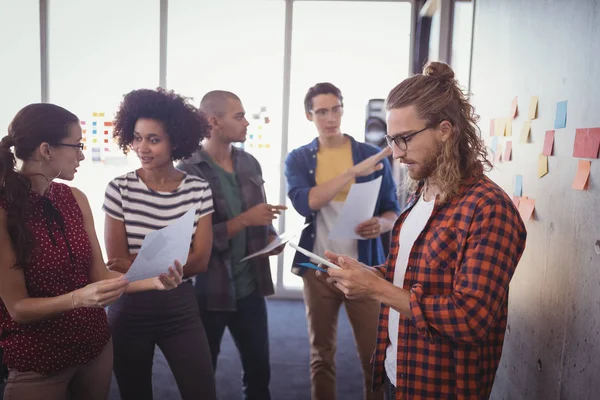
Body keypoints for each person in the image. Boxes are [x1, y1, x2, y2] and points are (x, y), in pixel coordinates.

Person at [322, 62, 528, 400]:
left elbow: (470, 318)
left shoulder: (489, 209)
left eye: (404, 139)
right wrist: (367, 274)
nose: (397, 152)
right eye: (392, 140)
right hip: (396, 371)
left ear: (445, 130)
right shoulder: (424, 193)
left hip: (439, 387)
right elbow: (410, 275)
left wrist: (375, 288)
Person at [0, 103, 183, 400]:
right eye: (77, 146)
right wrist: (78, 298)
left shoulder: (74, 198)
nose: (82, 155)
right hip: (39, 359)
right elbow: (18, 309)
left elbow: (98, 274)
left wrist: (153, 282)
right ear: (46, 150)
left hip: (94, 345)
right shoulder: (4, 211)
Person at [285, 82, 401, 400]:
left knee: (373, 357)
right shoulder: (299, 158)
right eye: (322, 111)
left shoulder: (369, 155)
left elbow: (393, 208)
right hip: (318, 268)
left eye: (335, 108)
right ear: (309, 116)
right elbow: (306, 202)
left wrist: (381, 224)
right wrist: (352, 172)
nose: (330, 117)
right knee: (322, 355)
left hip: (365, 270)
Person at [102, 88, 216, 400]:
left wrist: (142, 261)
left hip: (179, 306)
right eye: (137, 138)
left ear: (176, 141)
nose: (142, 147)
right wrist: (173, 264)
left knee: (202, 392)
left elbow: (202, 260)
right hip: (129, 307)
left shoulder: (197, 189)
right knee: (135, 393)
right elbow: (116, 261)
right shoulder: (119, 189)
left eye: (153, 139)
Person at [177, 90, 285, 400]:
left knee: (259, 374)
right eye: (238, 116)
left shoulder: (250, 163)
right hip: (209, 291)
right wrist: (246, 221)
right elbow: (193, 238)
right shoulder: (189, 170)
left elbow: (260, 217)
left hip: (250, 289)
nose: (246, 123)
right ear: (213, 121)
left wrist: (271, 237)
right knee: (201, 376)